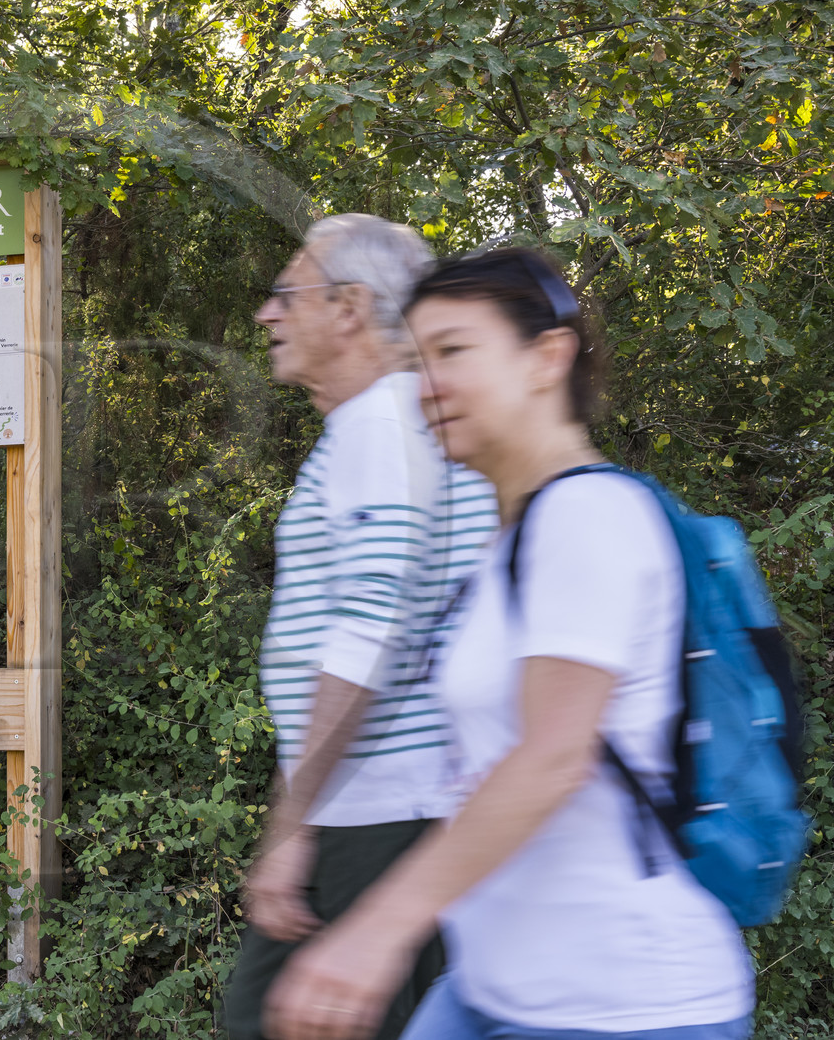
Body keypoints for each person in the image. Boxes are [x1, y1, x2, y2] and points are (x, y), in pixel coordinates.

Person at [262, 248, 754, 1040]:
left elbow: (550, 757)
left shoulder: (588, 515)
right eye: (418, 359)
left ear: (546, 358)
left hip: (622, 1005)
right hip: (492, 987)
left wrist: (377, 930)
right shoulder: (507, 540)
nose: (428, 383)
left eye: (454, 350)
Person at [223, 215, 496, 1040]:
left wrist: (293, 825)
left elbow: (371, 630)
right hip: (406, 805)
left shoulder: (383, 427)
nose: (268, 315)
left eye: (285, 293)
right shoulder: (405, 423)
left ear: (347, 308)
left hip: (378, 810)